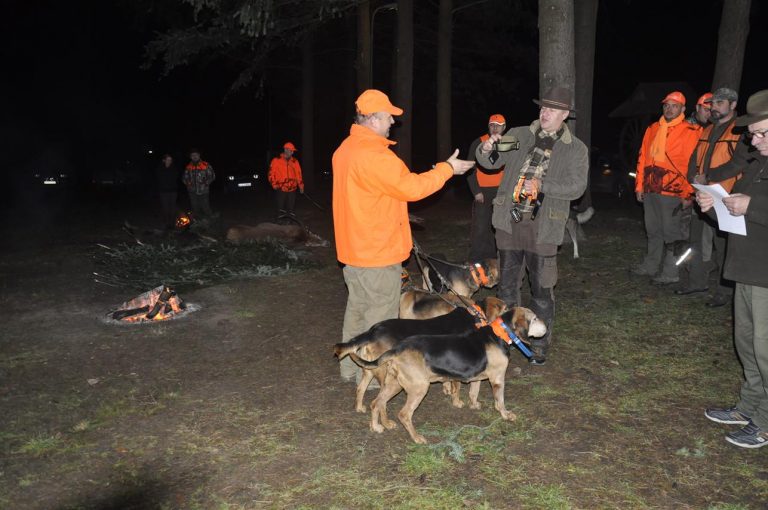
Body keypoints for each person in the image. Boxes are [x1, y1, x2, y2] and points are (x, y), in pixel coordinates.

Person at [332, 89, 474, 383]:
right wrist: (447, 169)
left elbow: (374, 193)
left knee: (357, 309)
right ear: (372, 119)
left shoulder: (345, 150)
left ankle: (349, 369)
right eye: (388, 117)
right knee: (380, 321)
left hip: (354, 247)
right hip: (377, 251)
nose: (392, 123)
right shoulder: (376, 155)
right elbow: (411, 188)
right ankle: (371, 380)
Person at [476, 86, 588, 365]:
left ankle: (539, 342)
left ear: (564, 114)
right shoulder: (519, 134)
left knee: (542, 288)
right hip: (510, 220)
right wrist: (487, 147)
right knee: (508, 287)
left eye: (552, 109)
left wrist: (543, 186)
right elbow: (492, 159)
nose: (545, 113)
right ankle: (507, 340)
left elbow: (577, 186)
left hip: (544, 227)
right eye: (543, 107)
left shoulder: (574, 148)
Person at [697, 89, 768, 448]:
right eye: (753, 134)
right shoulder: (758, 165)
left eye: (761, 134)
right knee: (747, 344)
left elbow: (751, 209)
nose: (753, 141)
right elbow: (734, 216)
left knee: (766, 349)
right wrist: (712, 205)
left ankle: (766, 421)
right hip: (746, 268)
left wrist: (750, 204)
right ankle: (750, 406)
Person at [676, 88, 740, 307]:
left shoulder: (740, 130)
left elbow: (739, 164)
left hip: (725, 197)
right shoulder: (707, 130)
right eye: (712, 103)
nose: (713, 107)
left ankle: (724, 291)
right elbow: (695, 158)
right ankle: (696, 281)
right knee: (695, 241)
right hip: (702, 195)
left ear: (732, 105)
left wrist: (709, 177)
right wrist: (692, 179)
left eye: (719, 103)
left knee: (722, 246)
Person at [631, 91, 701, 284]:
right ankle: (650, 265)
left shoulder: (691, 131)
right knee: (652, 230)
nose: (669, 109)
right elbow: (642, 158)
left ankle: (671, 273)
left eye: (674, 106)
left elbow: (693, 164)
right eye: (666, 105)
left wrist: (688, 193)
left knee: (672, 234)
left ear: (683, 109)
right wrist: (639, 186)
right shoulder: (653, 128)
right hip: (651, 188)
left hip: (674, 191)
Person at [466, 114, 507, 262]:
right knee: (481, 227)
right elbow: (470, 169)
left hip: (502, 191)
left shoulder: (508, 143)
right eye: (492, 125)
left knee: (498, 226)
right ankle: (475, 260)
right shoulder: (479, 142)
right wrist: (476, 191)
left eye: (498, 125)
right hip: (483, 191)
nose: (495, 128)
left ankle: (493, 258)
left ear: (504, 127)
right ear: (488, 126)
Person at [268, 142, 304, 220]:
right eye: (291, 150)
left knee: (291, 209)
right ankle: (281, 224)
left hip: (292, 189)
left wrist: (301, 186)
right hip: (281, 188)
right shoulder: (276, 160)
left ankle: (291, 223)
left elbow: (299, 174)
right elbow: (271, 174)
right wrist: (274, 184)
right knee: (281, 209)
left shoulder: (295, 161)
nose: (292, 152)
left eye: (292, 151)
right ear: (285, 150)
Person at [182, 149, 215, 219]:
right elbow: (184, 178)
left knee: (206, 207)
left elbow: (212, 176)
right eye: (192, 155)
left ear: (199, 155)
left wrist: (206, 183)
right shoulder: (188, 166)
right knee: (195, 208)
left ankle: (211, 223)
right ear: (190, 157)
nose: (194, 156)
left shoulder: (205, 164)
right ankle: (198, 225)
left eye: (196, 155)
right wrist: (188, 183)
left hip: (203, 191)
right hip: (192, 192)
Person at [155, 153, 179, 228]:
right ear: (164, 160)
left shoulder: (174, 168)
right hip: (163, 191)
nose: (169, 161)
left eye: (171, 160)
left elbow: (175, 178)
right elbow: (158, 179)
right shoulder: (159, 169)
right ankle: (166, 222)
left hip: (173, 191)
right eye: (168, 160)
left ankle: (172, 223)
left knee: (173, 207)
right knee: (165, 207)